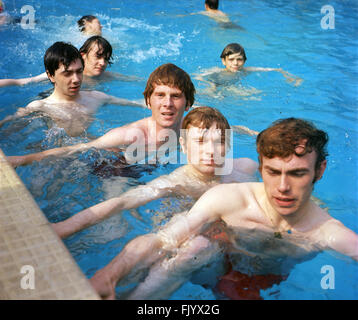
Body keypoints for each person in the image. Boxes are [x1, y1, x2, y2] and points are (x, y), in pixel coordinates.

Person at [89, 117, 358, 300]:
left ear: (319, 171)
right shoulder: (229, 199)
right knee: (194, 248)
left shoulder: (326, 231)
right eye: (273, 172)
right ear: (260, 167)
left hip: (264, 285)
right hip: (215, 270)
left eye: (297, 174)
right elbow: (161, 239)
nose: (283, 187)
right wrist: (110, 273)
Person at [51, 106, 258, 239]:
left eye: (219, 142)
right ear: (183, 146)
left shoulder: (246, 168)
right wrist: (65, 227)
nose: (210, 150)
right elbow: (123, 201)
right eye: (200, 142)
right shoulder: (176, 183)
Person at [5, 62, 195, 167]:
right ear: (148, 101)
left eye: (176, 96)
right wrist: (19, 160)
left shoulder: (197, 129)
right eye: (160, 95)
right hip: (119, 169)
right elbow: (75, 149)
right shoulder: (128, 135)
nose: (167, 104)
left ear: (188, 104)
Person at [0, 42, 145, 137]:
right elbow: (8, 129)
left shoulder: (96, 97)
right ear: (51, 76)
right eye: (67, 73)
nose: (76, 79)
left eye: (79, 71)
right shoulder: (40, 107)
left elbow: (137, 103)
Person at [0, 36, 140, 88]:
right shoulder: (62, 72)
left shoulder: (106, 77)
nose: (102, 63)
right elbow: (23, 82)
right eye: (98, 56)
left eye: (106, 58)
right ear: (82, 56)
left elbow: (136, 80)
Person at [194, 43, 302, 97]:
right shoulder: (217, 71)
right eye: (231, 59)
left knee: (253, 94)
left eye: (239, 59)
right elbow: (197, 76)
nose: (235, 63)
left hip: (228, 88)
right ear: (224, 61)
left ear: (244, 61)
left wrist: (290, 76)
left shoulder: (246, 70)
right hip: (215, 84)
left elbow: (275, 69)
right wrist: (207, 84)